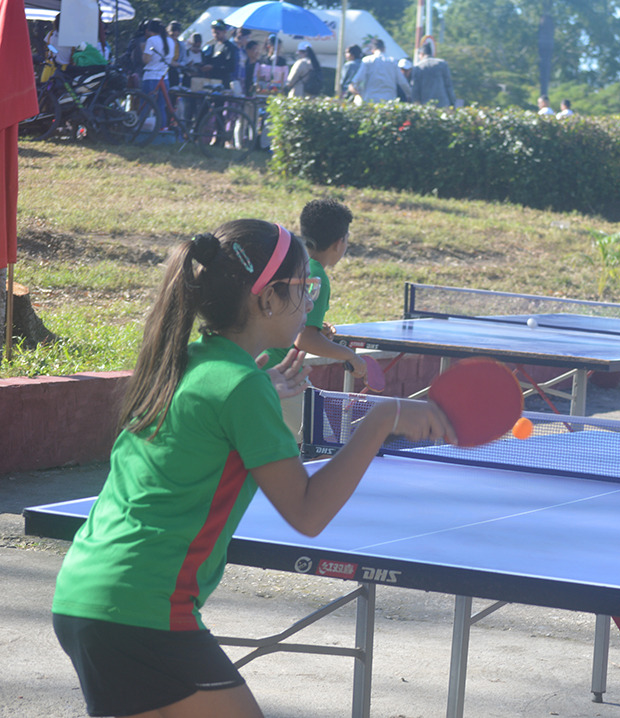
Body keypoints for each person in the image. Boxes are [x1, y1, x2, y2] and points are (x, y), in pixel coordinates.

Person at [51, 219, 453, 718]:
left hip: (85, 594)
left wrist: (263, 390)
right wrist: (380, 420)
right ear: (266, 300)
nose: (311, 303)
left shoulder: (191, 362)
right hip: (146, 608)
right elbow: (308, 514)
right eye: (304, 288)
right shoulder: (241, 387)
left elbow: (208, 421)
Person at [262, 200, 372, 438]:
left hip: (260, 366)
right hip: (282, 372)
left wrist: (313, 326)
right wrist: (350, 355)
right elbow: (306, 340)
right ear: (339, 243)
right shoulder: (317, 274)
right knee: (323, 445)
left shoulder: (291, 263)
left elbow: (291, 322)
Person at [348, 38, 410, 104]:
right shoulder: (393, 61)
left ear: (372, 50)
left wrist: (354, 87)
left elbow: (358, 79)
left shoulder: (367, 60)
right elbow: (402, 82)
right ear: (384, 48)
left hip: (371, 100)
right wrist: (409, 94)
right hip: (389, 100)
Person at [141, 19, 175, 130]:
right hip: (164, 78)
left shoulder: (151, 40)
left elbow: (146, 59)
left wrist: (143, 50)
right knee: (161, 106)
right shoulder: (171, 41)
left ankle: (141, 129)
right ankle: (162, 128)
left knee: (145, 105)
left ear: (150, 30)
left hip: (151, 76)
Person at [199, 19, 239, 88]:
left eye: (217, 33)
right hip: (212, 81)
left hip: (223, 83)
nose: (215, 35)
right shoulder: (213, 45)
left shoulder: (230, 47)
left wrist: (213, 67)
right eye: (213, 33)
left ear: (224, 32)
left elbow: (231, 67)